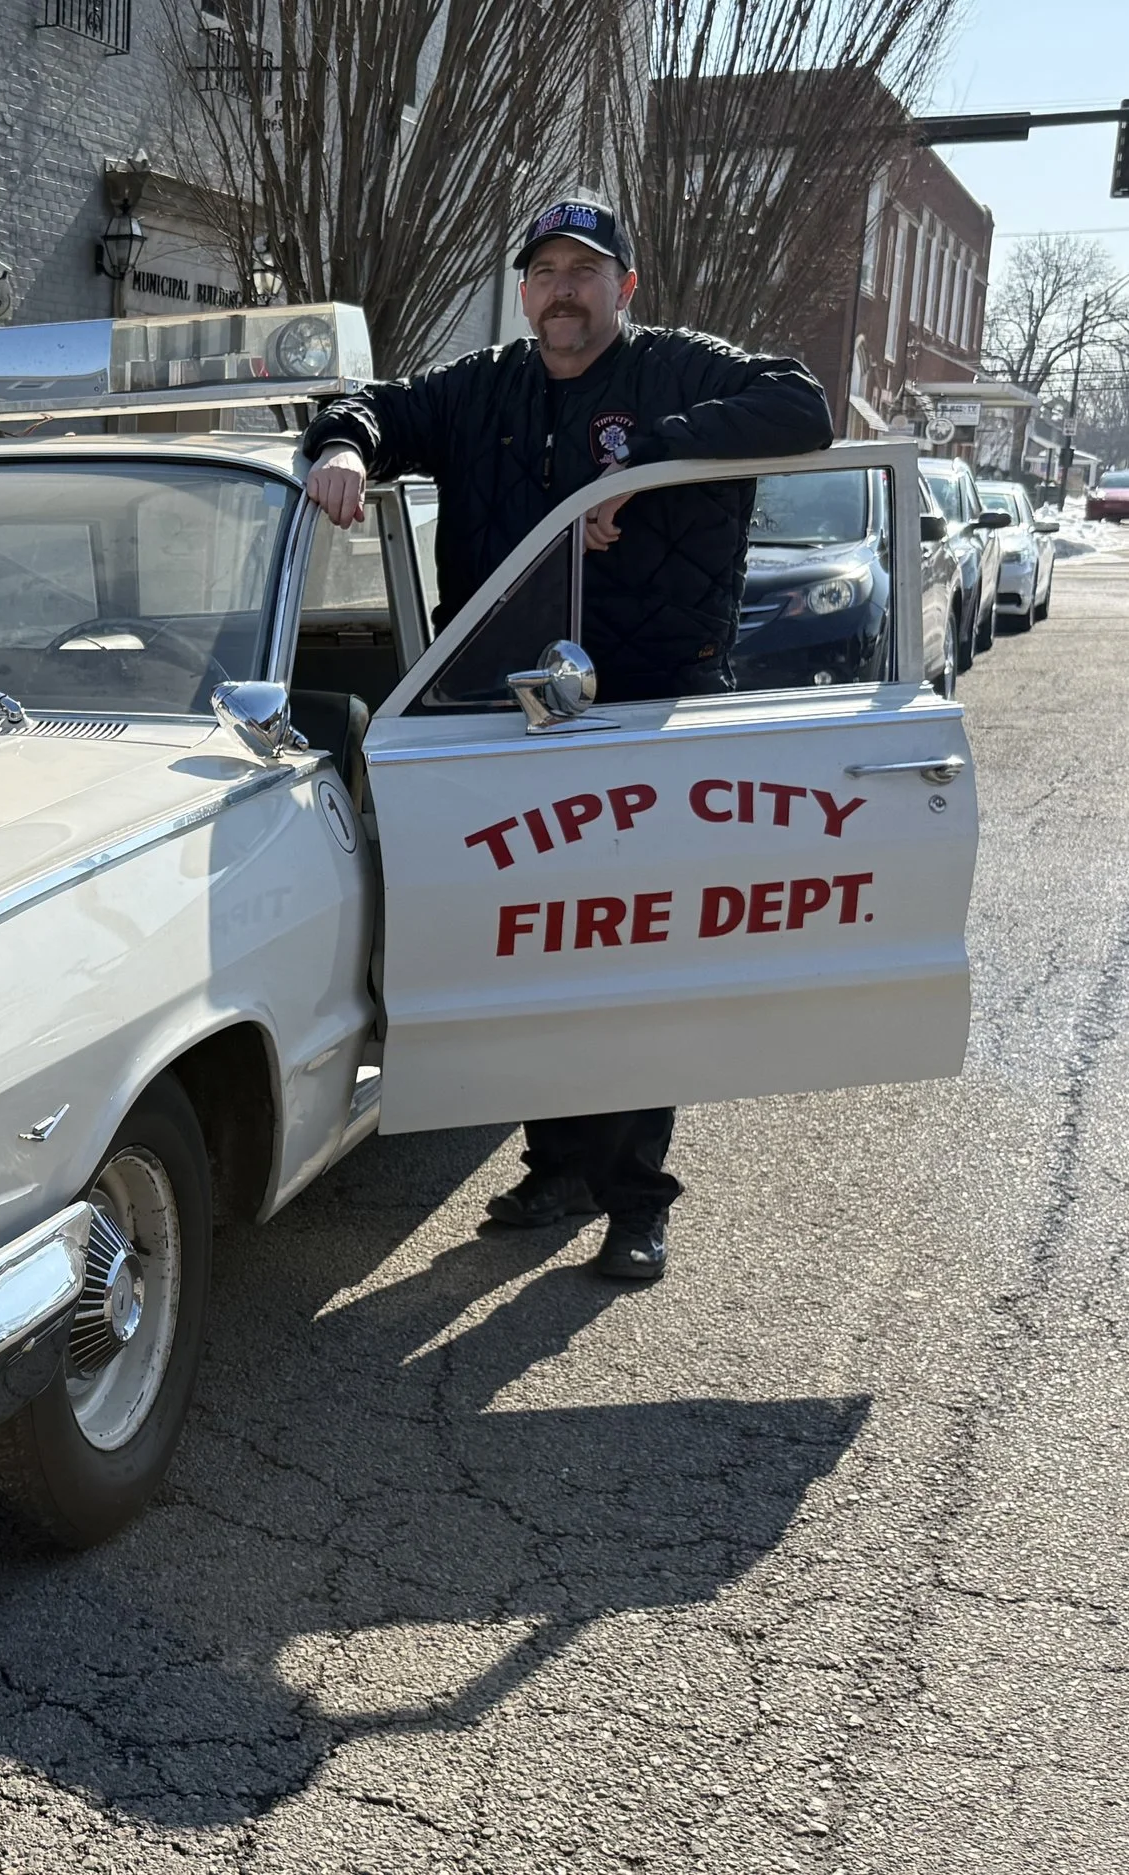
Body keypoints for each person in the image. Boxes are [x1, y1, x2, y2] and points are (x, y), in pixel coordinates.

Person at [301, 192, 834, 1282]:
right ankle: (551, 1166)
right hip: (508, 704)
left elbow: (802, 407)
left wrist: (645, 459)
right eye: (543, 272)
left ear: (622, 287)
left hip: (645, 700)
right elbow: (368, 404)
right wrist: (343, 444)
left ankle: (635, 1199)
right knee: (529, 942)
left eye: (583, 272)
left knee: (636, 950)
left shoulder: (680, 368)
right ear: (523, 289)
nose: (561, 291)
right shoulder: (482, 386)